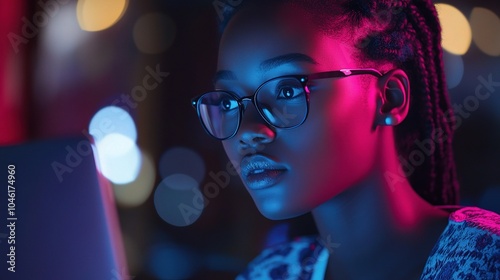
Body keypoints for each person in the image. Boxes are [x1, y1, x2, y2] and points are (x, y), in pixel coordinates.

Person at [191, 0, 500, 279]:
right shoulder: (271, 273)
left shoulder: (486, 261)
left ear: (389, 98)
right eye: (229, 101)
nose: (247, 131)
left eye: (288, 90)